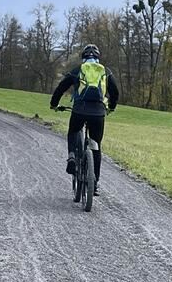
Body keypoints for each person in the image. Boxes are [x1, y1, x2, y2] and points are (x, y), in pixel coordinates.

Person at [50, 44, 120, 194]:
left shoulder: (78, 70)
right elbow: (115, 92)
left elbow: (61, 87)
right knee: (96, 145)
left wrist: (54, 104)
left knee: (73, 131)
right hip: (99, 113)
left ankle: (71, 157)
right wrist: (111, 107)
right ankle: (94, 184)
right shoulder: (105, 71)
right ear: (97, 58)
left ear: (83, 58)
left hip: (79, 110)